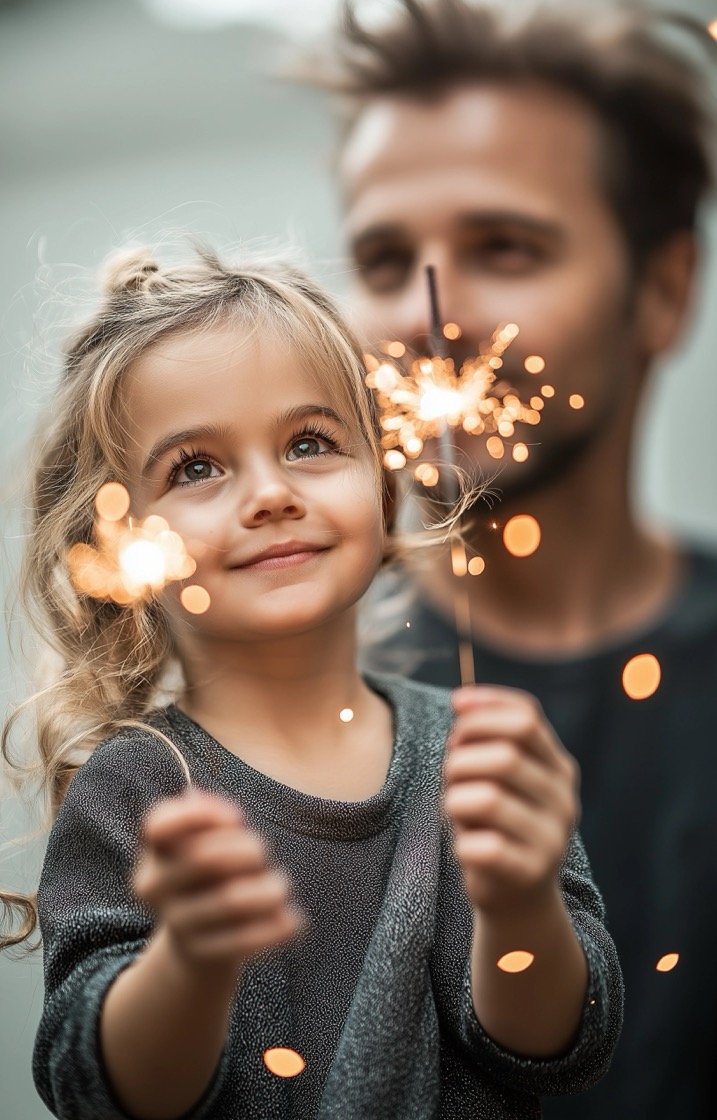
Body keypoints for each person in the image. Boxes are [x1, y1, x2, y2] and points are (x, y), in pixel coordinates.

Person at [0, 245, 621, 1120]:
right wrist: (189, 963)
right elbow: (99, 1091)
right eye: (197, 468)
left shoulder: (475, 752)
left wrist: (519, 906)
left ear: (383, 487)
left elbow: (559, 1049)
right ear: (116, 547)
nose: (269, 493)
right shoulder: (137, 788)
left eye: (308, 443)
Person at [303, 0, 717, 1119]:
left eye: (508, 245)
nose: (428, 316)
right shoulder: (270, 697)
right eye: (383, 261)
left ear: (663, 290)